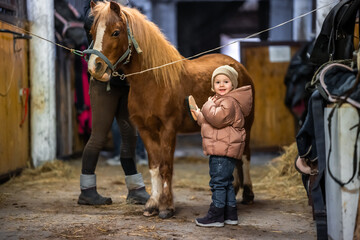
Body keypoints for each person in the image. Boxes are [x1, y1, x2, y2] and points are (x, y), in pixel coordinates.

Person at [78, 0, 149, 205]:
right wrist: (110, 11)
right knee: (98, 136)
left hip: (125, 82)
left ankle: (135, 188)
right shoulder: (94, 11)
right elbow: (89, 22)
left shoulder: (128, 7)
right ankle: (87, 190)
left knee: (130, 136)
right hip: (103, 82)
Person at [189, 65, 253, 227]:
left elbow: (217, 119)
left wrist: (207, 105)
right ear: (213, 85)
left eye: (226, 81)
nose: (222, 85)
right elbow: (212, 120)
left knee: (217, 182)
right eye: (218, 82)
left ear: (233, 85)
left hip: (223, 149)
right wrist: (200, 115)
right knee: (226, 181)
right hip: (223, 147)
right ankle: (230, 214)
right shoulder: (221, 101)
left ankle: (216, 216)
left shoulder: (229, 101)